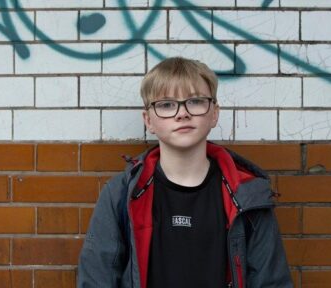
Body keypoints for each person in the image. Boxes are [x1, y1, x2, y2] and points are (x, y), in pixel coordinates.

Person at [77, 57, 293, 288]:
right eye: (167, 104)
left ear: (214, 113)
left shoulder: (247, 195)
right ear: (148, 120)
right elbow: (96, 279)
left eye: (196, 101)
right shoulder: (121, 193)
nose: (182, 113)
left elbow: (272, 282)